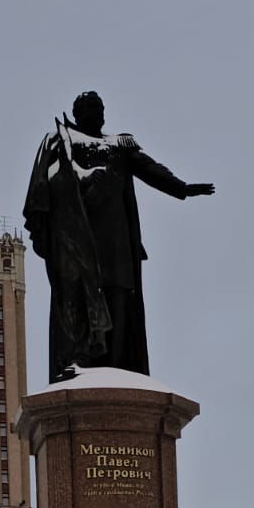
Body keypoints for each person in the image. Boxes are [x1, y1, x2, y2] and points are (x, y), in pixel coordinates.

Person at [23, 91, 214, 382]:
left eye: (97, 108)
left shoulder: (120, 145)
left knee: (119, 299)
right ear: (76, 114)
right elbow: (46, 184)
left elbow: (149, 169)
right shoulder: (61, 142)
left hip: (116, 243)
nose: (94, 112)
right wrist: (84, 178)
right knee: (80, 300)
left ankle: (119, 368)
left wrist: (182, 188)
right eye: (86, 108)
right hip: (78, 240)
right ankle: (81, 360)